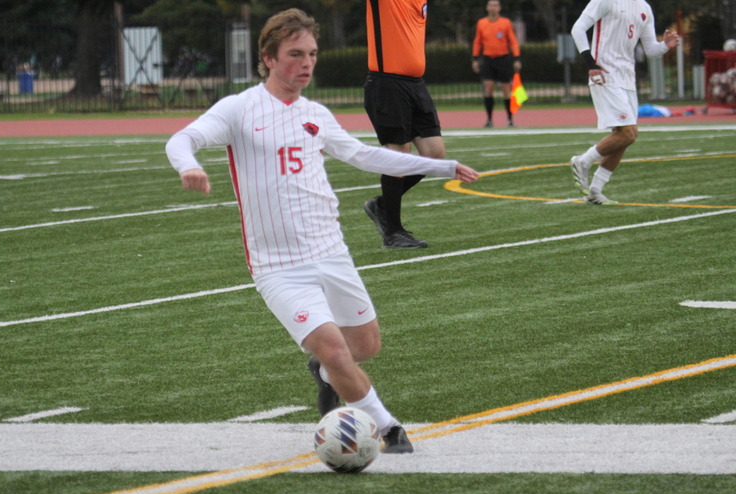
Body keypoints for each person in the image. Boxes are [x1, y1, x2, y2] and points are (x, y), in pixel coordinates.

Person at [165, 9, 479, 454]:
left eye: (311, 53)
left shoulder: (316, 114)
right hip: (278, 266)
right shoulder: (240, 108)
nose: (306, 63)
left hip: (331, 251)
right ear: (268, 58)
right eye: (295, 54)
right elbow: (181, 139)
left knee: (364, 347)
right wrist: (189, 165)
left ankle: (326, 374)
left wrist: (441, 164)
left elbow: (367, 157)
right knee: (334, 348)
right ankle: (388, 429)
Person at [569, 0, 678, 205]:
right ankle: (582, 161)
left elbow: (651, 50)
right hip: (605, 74)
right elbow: (578, 28)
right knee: (627, 132)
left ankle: (595, 191)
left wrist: (665, 45)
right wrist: (590, 64)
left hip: (627, 79)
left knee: (628, 135)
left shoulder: (644, 8)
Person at [362, 0, 446, 249]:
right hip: (387, 83)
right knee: (398, 154)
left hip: (414, 84)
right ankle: (393, 232)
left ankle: (382, 206)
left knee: (434, 154)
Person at [472, 0, 521, 128]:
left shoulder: (505, 23)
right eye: (490, 5)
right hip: (488, 59)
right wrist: (475, 58)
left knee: (506, 89)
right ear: (487, 7)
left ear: (499, 8)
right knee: (488, 88)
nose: (493, 8)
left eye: (495, 5)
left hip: (503, 59)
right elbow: (478, 41)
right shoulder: (481, 23)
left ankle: (510, 119)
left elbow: (513, 41)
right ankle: (489, 119)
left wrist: (517, 58)